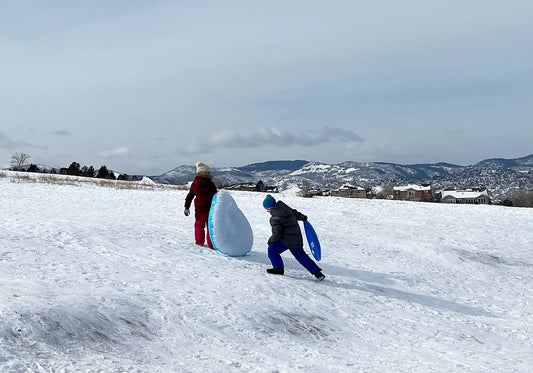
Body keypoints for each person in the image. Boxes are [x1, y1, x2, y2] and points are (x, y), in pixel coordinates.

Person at [263, 194, 325, 281]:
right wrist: (303, 217)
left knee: (272, 249)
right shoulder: (285, 208)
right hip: (296, 238)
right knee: (301, 256)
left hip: (285, 240)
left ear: (268, 208)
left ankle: (278, 268)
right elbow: (295, 213)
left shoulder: (274, 218)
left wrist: (270, 241)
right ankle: (317, 273)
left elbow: (277, 234)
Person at [184, 162, 218, 248]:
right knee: (210, 226)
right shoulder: (210, 184)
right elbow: (216, 195)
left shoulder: (195, 183)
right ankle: (211, 244)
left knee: (199, 224)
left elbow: (190, 195)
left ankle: (199, 242)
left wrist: (187, 207)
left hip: (199, 207)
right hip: (210, 207)